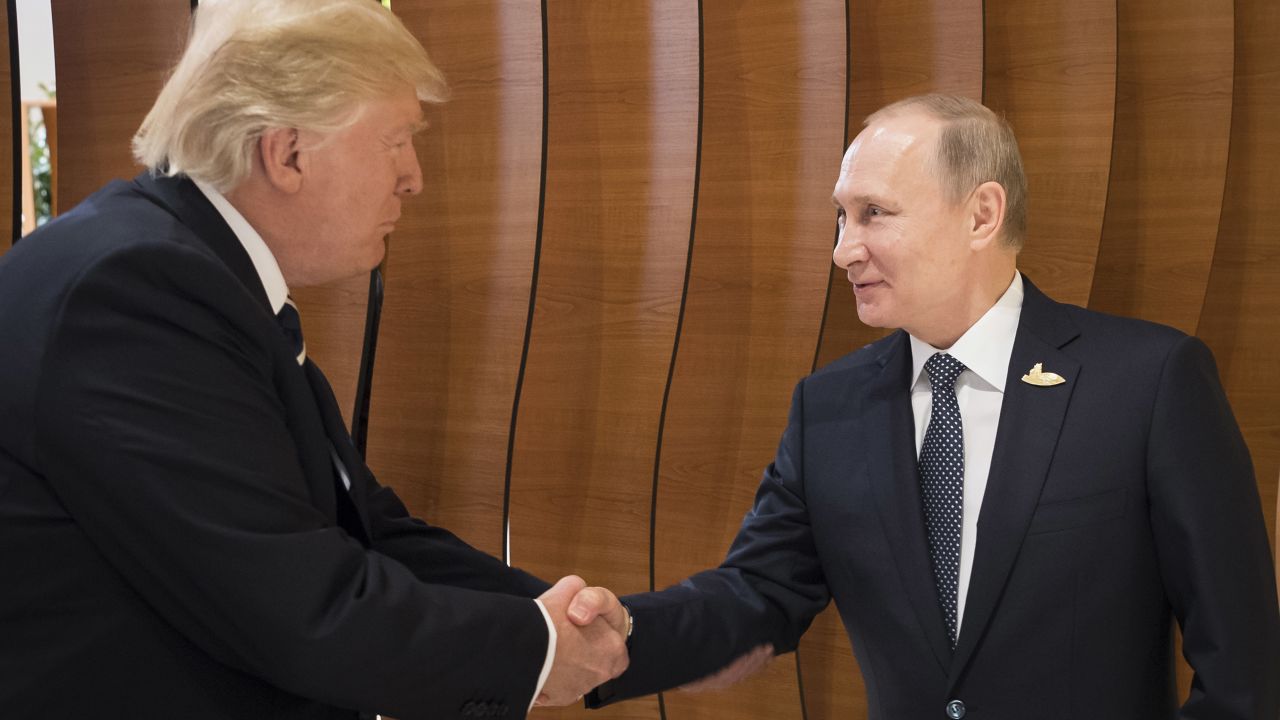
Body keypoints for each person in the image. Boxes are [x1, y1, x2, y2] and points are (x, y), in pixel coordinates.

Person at [0, 1, 627, 717]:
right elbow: (301, 612)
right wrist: (539, 645)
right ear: (288, 152)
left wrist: (568, 622)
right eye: (396, 142)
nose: (414, 177)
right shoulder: (134, 294)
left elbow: (367, 530)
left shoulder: (183, 266)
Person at [584, 94, 1280, 718]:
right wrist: (619, 637)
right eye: (840, 217)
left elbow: (1242, 668)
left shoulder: (1149, 382)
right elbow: (756, 595)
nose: (842, 250)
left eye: (873, 214)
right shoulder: (828, 408)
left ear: (981, 214)